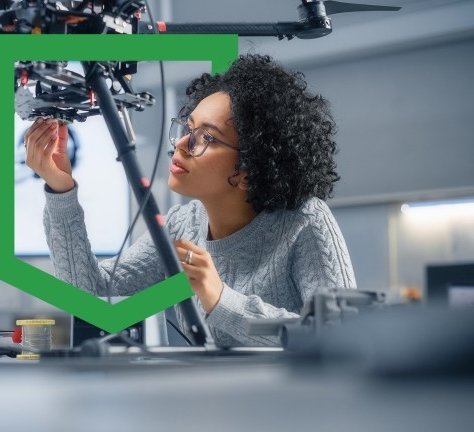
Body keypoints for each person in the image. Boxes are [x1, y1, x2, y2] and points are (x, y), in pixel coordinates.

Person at [24, 54, 356, 347]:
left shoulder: (305, 221)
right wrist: (60, 190)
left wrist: (221, 300)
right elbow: (91, 294)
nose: (181, 144)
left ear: (249, 170)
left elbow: (341, 335)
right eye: (188, 128)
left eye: (206, 138)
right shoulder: (182, 225)